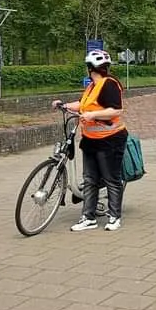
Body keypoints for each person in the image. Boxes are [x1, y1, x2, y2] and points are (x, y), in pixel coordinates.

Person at [51, 50, 128, 232]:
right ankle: (88, 217)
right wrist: (64, 105)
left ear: (90, 68)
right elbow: (83, 105)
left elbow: (116, 110)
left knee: (111, 179)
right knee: (90, 178)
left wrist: (93, 114)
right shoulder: (92, 86)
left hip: (110, 140)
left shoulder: (109, 84)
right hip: (91, 140)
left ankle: (114, 216)